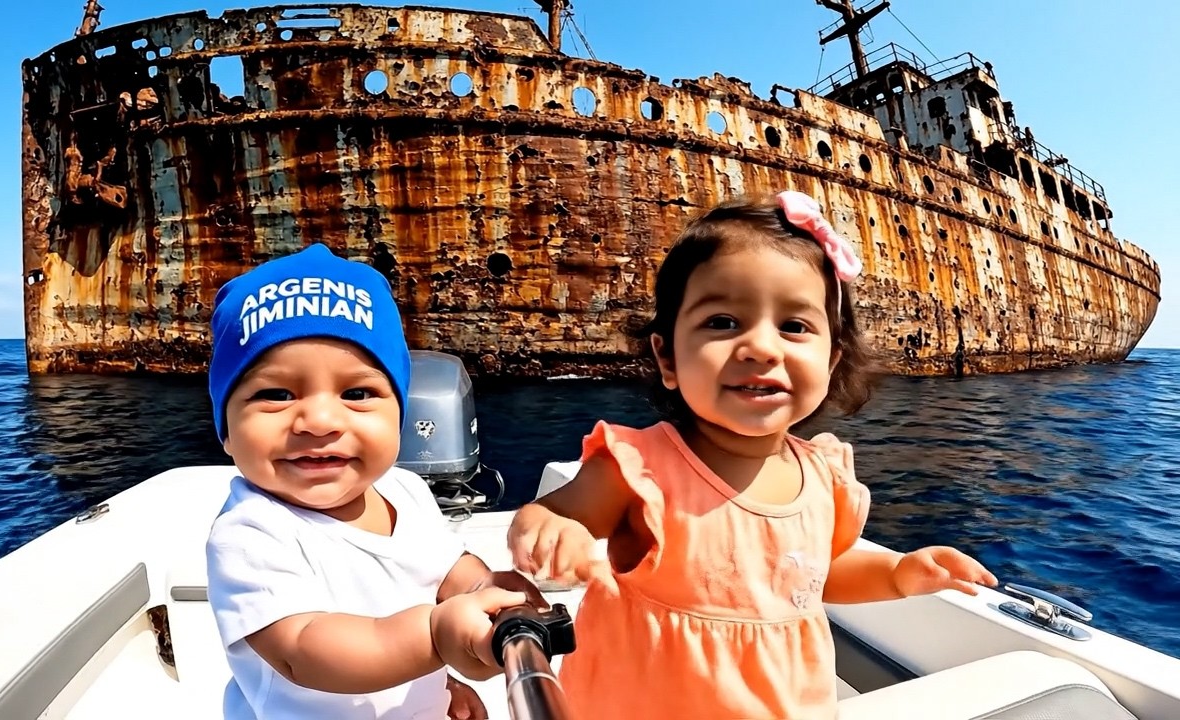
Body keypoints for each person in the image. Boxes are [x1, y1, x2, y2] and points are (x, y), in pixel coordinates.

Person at [507, 192, 998, 719]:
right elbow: (547, 515)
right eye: (721, 322)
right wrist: (554, 531)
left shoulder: (823, 475)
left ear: (831, 361)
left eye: (794, 326)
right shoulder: (640, 469)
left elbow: (815, 576)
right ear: (667, 357)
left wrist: (899, 573)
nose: (761, 347)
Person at [204, 243, 537, 720]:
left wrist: (488, 591)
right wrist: (437, 640)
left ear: (400, 413)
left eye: (357, 392)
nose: (319, 420)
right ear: (227, 430)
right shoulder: (251, 535)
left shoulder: (405, 490)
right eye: (275, 394)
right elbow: (304, 649)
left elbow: (445, 570)